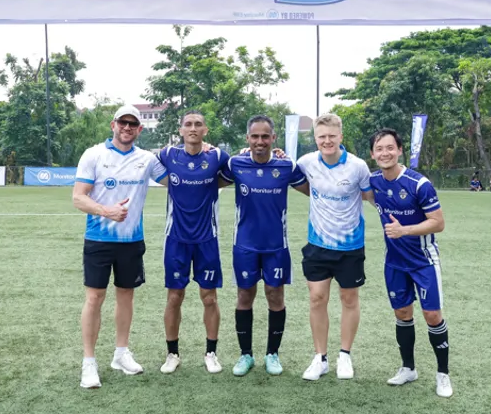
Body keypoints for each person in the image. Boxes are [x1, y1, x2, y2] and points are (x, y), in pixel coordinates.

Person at [72, 104, 168, 389]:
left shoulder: (147, 159)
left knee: (126, 296)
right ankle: (89, 362)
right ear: (113, 125)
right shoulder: (93, 155)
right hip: (99, 240)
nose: (127, 128)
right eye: (122, 122)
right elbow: (78, 197)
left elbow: (176, 177)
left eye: (132, 124)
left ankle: (121, 353)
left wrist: (204, 150)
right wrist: (106, 211)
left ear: (140, 129)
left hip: (131, 241)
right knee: (94, 298)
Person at [217, 115, 308, 377]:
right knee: (244, 296)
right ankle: (245, 354)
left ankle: (272, 354)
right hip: (244, 245)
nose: (260, 141)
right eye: (255, 136)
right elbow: (211, 181)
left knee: (275, 296)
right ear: (247, 138)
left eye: (265, 136)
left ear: (273, 138)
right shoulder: (235, 163)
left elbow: (313, 189)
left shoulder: (286, 166)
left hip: (276, 247)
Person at [367, 128, 453, 398]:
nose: (385, 153)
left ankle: (443, 374)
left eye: (389, 148)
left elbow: (438, 223)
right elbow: (345, 179)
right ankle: (408, 368)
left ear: (400, 150)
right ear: (372, 154)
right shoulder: (373, 182)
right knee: (402, 314)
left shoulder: (419, 184)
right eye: (379, 149)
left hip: (423, 262)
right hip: (394, 263)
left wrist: (404, 230)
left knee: (432, 316)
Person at [294, 113, 372, 381]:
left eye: (331, 136)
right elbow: (290, 176)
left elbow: (371, 196)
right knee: (317, 298)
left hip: (350, 246)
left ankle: (345, 355)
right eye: (321, 137)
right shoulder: (306, 162)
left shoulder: (358, 166)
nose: (326, 141)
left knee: (349, 299)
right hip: (317, 245)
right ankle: (320, 358)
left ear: (340, 136)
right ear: (315, 138)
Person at [156, 109, 230, 375]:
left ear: (205, 130)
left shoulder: (217, 156)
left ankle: (211, 353)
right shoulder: (168, 154)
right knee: (174, 297)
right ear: (181, 130)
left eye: (198, 124)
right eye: (188, 124)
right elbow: (142, 160)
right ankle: (172, 354)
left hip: (206, 239)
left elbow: (243, 164)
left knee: (209, 298)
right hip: (176, 239)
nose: (193, 128)